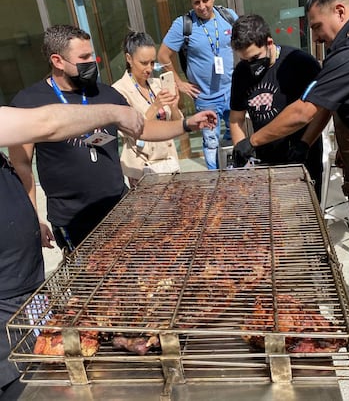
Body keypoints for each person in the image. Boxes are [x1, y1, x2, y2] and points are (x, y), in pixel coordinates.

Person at [233, 0, 349, 370]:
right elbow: (327, 108)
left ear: (340, 11)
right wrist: (305, 143)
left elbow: (304, 109)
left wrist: (253, 142)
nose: (315, 36)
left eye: (316, 26)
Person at [0, 103, 216, 400]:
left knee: (48, 358)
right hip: (5, 297)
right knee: (28, 383)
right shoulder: (32, 99)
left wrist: (30, 217)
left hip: (27, 286)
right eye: (84, 54)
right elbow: (47, 122)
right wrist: (114, 113)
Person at [8, 24, 216, 253]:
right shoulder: (29, 102)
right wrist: (33, 218)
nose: (92, 61)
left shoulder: (106, 94)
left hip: (119, 207)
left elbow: (143, 129)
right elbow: (22, 163)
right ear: (58, 61)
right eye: (84, 57)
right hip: (73, 218)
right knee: (90, 278)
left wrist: (187, 124)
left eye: (91, 54)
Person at [229, 14, 323, 199]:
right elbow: (236, 118)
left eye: (255, 57)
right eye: (244, 60)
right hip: (265, 161)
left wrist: (305, 143)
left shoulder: (301, 63)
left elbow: (321, 110)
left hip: (302, 158)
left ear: (269, 42)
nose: (250, 65)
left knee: (304, 219)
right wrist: (241, 148)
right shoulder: (241, 73)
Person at [158, 0, 238, 169]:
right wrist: (180, 83)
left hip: (232, 91)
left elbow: (243, 44)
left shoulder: (229, 16)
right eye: (196, 2)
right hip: (206, 97)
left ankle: (235, 174)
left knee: (234, 137)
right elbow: (162, 56)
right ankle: (214, 182)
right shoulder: (184, 24)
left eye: (205, 0)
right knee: (211, 143)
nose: (202, 7)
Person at [113, 31, 182, 186]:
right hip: (141, 166)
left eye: (152, 62)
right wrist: (155, 106)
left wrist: (174, 106)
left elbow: (177, 125)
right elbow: (130, 130)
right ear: (129, 58)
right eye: (144, 63)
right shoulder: (119, 90)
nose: (149, 68)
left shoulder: (158, 84)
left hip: (169, 162)